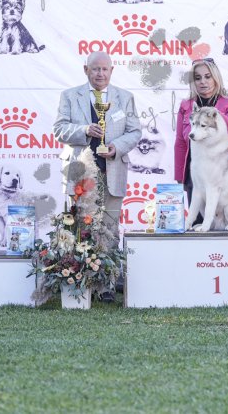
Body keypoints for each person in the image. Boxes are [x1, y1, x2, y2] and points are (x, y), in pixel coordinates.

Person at [53, 52, 141, 300]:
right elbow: (59, 129)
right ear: (86, 70)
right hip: (81, 173)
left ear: (112, 71)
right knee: (80, 226)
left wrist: (116, 147)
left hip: (112, 170)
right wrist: (83, 130)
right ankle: (80, 281)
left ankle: (107, 285)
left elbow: (135, 132)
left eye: (104, 69)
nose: (100, 73)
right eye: (95, 69)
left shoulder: (125, 97)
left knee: (110, 227)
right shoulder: (70, 96)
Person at [174, 57, 228, 223]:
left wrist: (217, 115)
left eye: (208, 76)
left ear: (215, 78)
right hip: (197, 175)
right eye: (197, 78)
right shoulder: (186, 106)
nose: (203, 82)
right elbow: (180, 142)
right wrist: (180, 176)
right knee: (200, 227)